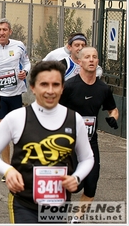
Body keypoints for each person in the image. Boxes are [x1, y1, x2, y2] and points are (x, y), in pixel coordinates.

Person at [0, 60, 94, 224]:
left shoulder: (74, 119)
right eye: (44, 84)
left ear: (62, 88)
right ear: (33, 88)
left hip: (58, 205)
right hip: (24, 204)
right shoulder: (17, 118)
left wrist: (77, 177)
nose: (50, 90)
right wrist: (8, 170)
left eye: (55, 84)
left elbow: (87, 158)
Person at [59, 47, 119, 222]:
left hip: (90, 144)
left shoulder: (103, 88)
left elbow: (113, 109)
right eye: (87, 57)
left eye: (95, 57)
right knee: (74, 186)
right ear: (80, 61)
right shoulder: (69, 86)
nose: (91, 60)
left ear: (98, 61)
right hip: (69, 143)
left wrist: (113, 118)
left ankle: (76, 219)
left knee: (91, 185)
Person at [0, 18, 31, 167]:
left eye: (4, 30)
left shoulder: (19, 46)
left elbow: (27, 62)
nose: (2, 33)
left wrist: (25, 72)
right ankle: (6, 166)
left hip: (15, 95)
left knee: (17, 132)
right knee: (3, 131)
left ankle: (17, 164)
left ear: (10, 32)